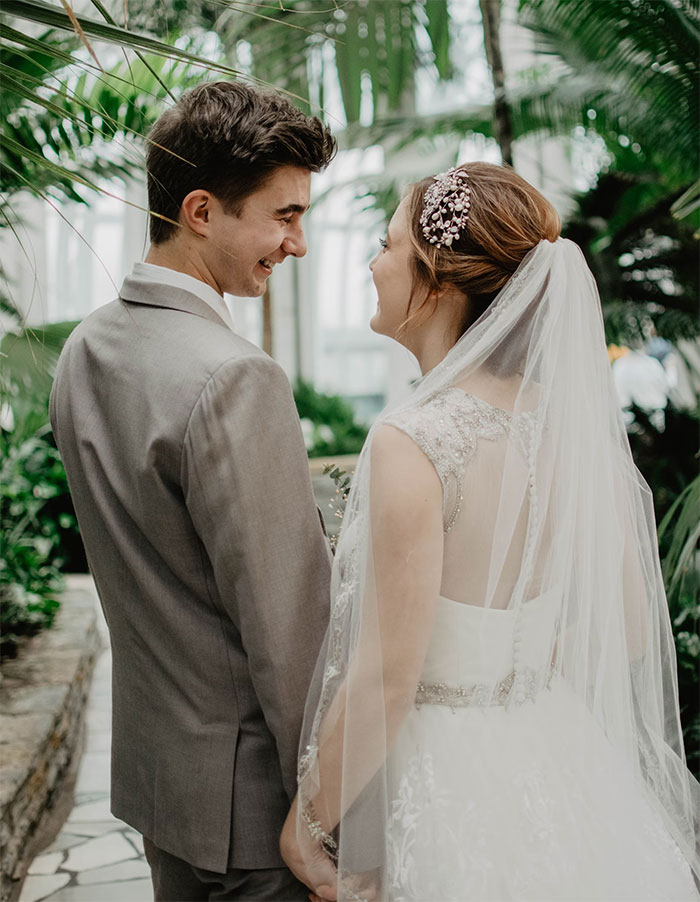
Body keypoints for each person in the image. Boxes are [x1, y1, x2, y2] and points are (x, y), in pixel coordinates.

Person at [280, 162, 700, 900]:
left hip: (448, 784)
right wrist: (515, 660)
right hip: (562, 754)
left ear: (438, 282)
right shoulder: (569, 430)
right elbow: (632, 628)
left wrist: (304, 828)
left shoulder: (413, 441)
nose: (372, 265)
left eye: (386, 246)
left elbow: (387, 677)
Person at [50, 80, 336, 901]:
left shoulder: (84, 348)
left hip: (161, 788)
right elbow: (287, 631)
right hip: (257, 814)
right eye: (284, 216)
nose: (298, 243)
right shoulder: (236, 377)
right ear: (202, 212)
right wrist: (325, 814)